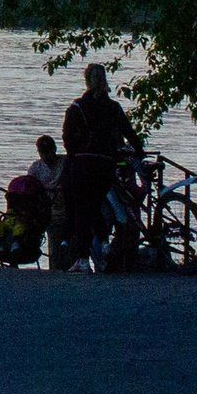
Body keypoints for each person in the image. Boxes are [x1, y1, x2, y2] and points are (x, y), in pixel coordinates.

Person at [58, 63, 139, 272]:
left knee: (82, 210)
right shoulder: (113, 108)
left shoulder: (77, 107)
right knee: (94, 205)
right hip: (106, 164)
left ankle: (82, 259)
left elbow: (67, 136)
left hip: (83, 163)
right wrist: (138, 151)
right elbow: (129, 132)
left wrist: (74, 152)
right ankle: (103, 242)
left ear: (86, 80)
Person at [28, 134, 68, 267]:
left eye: (48, 151)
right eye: (42, 152)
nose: (45, 156)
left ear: (54, 150)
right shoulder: (35, 168)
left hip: (67, 209)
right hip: (48, 211)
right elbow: (30, 188)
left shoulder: (65, 162)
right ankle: (56, 268)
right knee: (55, 245)